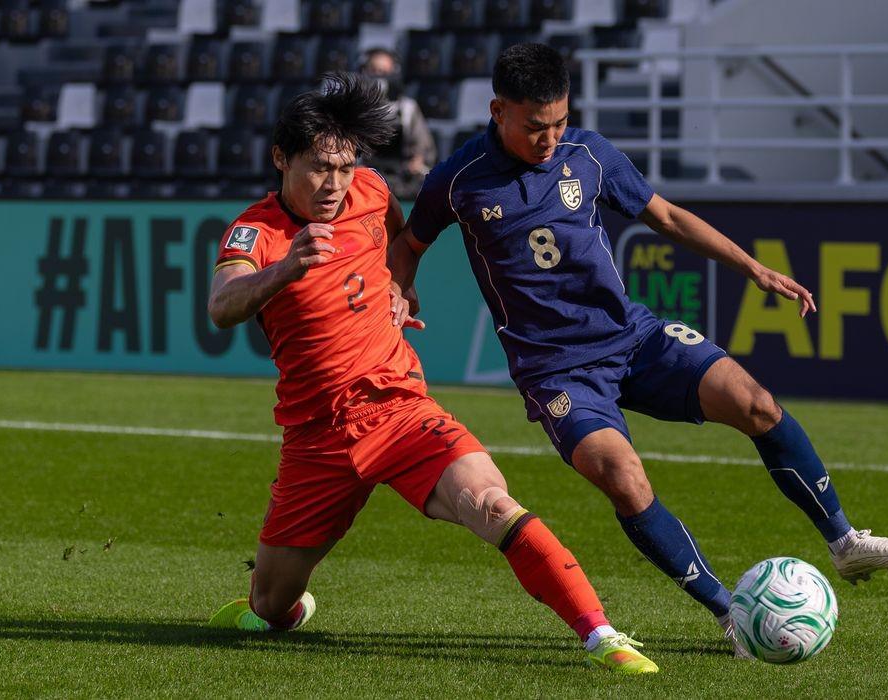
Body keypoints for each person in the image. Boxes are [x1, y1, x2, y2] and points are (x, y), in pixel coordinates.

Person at [387, 44, 888, 656]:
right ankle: (730, 613)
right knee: (623, 477)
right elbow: (408, 244)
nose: (550, 138)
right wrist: (400, 289)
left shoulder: (589, 153)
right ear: (498, 111)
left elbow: (666, 217)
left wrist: (753, 268)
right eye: (536, 126)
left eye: (560, 122)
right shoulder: (459, 178)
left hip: (630, 336)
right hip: (556, 372)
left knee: (756, 403)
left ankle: (846, 543)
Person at [203, 72, 657, 675]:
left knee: (490, 503)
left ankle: (602, 635)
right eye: (318, 168)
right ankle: (286, 604)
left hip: (399, 409)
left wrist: (401, 289)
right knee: (269, 605)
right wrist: (285, 269)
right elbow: (222, 306)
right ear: (281, 158)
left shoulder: (371, 191)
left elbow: (397, 248)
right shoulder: (256, 231)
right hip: (318, 437)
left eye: (344, 167)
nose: (334, 184)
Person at [360, 47, 437, 197]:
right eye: (374, 70)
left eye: (384, 71)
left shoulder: (408, 108)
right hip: (367, 176)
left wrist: (417, 160)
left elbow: (424, 148)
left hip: (402, 178)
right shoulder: (357, 108)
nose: (379, 76)